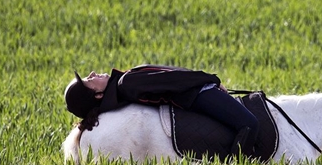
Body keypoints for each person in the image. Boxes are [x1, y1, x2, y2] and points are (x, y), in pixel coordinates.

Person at [64, 65, 259, 157]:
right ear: (98, 95)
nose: (91, 74)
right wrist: (210, 79)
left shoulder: (122, 87)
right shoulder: (126, 83)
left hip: (195, 93)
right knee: (250, 123)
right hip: (198, 93)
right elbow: (172, 80)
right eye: (88, 81)